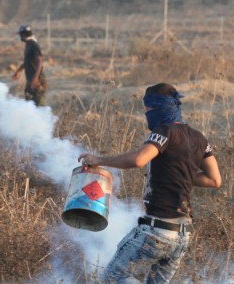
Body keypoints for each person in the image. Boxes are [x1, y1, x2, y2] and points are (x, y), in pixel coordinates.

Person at [77, 83, 222, 283]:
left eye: (148, 109)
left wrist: (100, 160)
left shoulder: (164, 131)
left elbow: (138, 160)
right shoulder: (199, 138)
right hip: (182, 236)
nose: (146, 114)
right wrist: (179, 172)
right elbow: (215, 180)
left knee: (113, 277)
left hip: (157, 230)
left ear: (160, 108)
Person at [12, 25, 47, 107]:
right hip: (30, 80)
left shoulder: (34, 46)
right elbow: (27, 61)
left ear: (24, 35)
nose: (20, 37)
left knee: (39, 105)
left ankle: (44, 119)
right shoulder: (28, 45)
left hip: (37, 82)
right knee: (29, 104)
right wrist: (18, 71)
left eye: (20, 35)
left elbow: (39, 62)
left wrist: (35, 78)